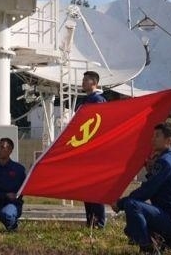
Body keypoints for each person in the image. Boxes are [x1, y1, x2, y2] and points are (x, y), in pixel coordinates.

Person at [113, 123, 171, 254]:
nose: (152, 139)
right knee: (131, 227)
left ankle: (148, 248)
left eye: (157, 136)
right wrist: (151, 171)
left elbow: (147, 191)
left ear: (168, 140)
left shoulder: (165, 162)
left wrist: (120, 203)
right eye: (153, 136)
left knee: (132, 206)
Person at [77, 70, 107, 229]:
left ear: (94, 83)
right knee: (86, 186)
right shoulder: (85, 100)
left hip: (94, 150)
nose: (83, 82)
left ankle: (99, 221)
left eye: (86, 80)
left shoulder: (98, 100)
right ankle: (90, 220)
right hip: (84, 148)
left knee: (94, 186)